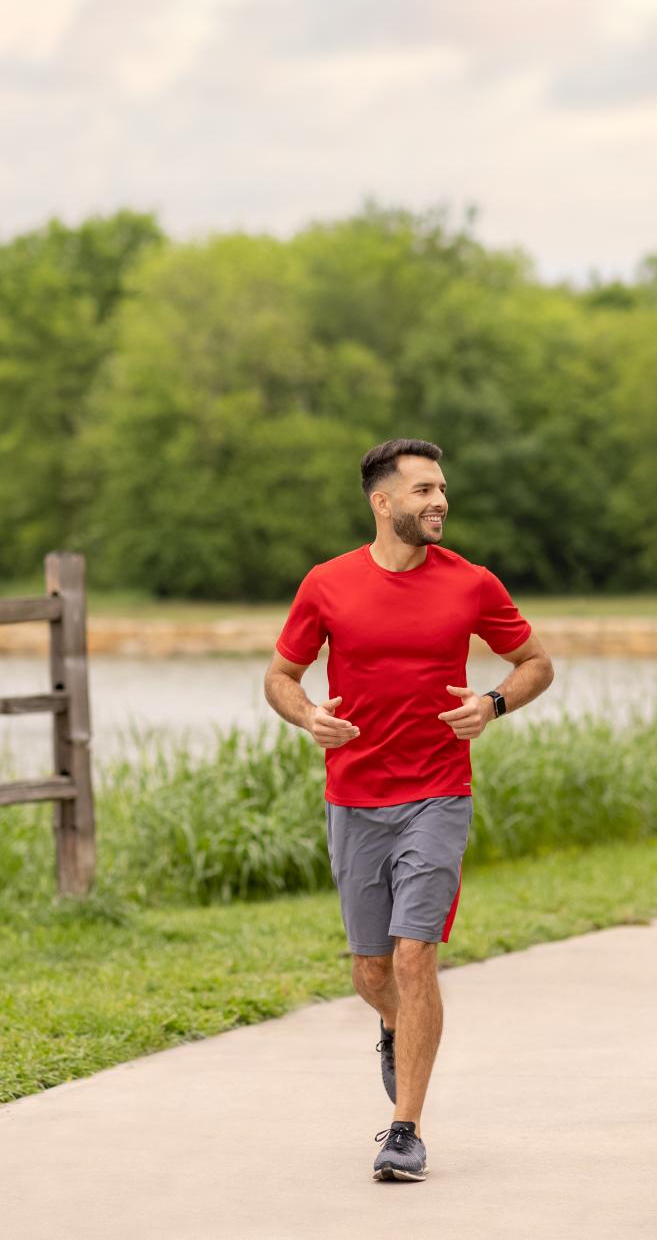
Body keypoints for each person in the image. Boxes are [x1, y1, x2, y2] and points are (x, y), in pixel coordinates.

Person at [264, 438, 553, 1183]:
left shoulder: (471, 583)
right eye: (423, 490)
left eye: (442, 489)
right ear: (382, 502)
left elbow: (537, 664)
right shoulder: (327, 584)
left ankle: (405, 1129)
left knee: (416, 954)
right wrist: (307, 716)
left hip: (437, 792)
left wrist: (490, 704)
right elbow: (281, 676)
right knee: (371, 970)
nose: (440, 502)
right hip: (354, 796)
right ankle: (393, 1025)